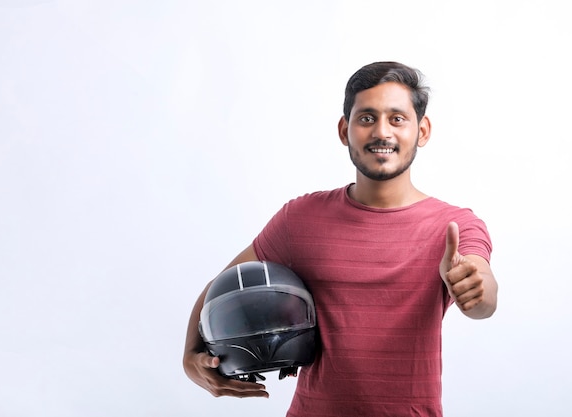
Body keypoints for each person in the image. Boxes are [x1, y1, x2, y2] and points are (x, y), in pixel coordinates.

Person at [183, 61, 498, 416]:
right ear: (344, 129)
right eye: (366, 118)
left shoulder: (455, 225)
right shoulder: (300, 218)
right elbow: (225, 285)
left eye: (397, 118)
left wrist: (474, 290)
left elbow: (483, 293)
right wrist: (190, 356)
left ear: (422, 131)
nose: (382, 132)